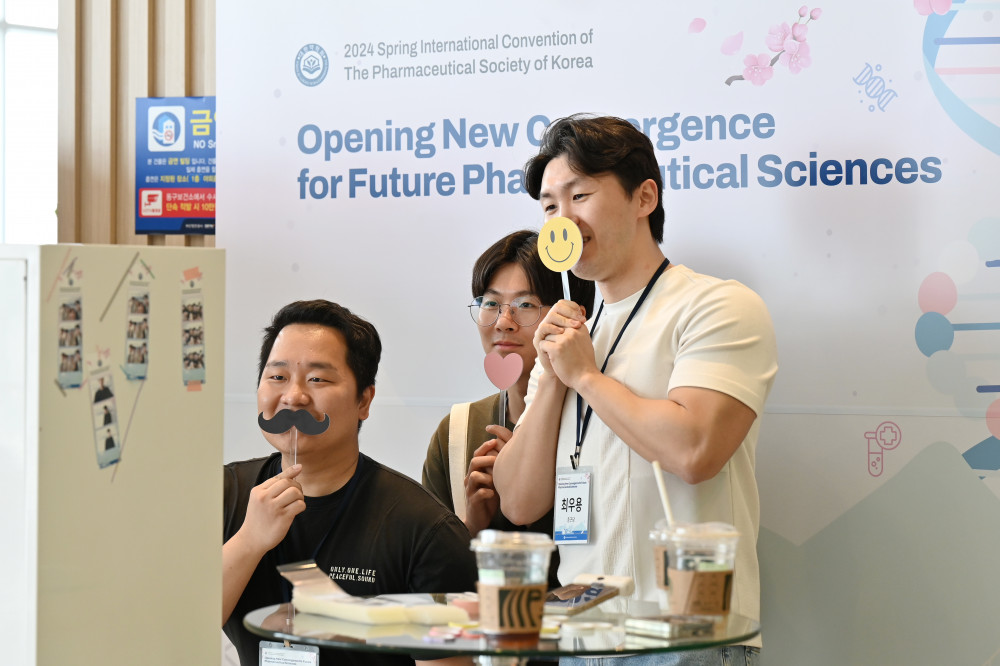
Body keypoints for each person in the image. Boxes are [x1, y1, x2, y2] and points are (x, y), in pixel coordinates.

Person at [493, 115, 778, 665]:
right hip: (582, 636)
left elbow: (695, 451)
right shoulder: (570, 334)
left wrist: (586, 378)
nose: (563, 220)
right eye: (550, 207)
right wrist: (553, 378)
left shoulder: (716, 305)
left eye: (580, 195)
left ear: (644, 197)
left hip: (687, 638)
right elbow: (520, 501)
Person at [222, 300, 478, 666]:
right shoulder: (223, 494)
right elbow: (176, 628)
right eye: (277, 377)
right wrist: (249, 541)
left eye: (318, 379)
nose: (293, 396)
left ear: (364, 401)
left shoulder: (424, 531)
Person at [421, 230, 594, 586]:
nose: (503, 321)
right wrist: (472, 526)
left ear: (571, 315)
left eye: (526, 305)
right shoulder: (459, 431)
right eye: (490, 304)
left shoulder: (596, 422)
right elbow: (430, 578)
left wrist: (525, 474)